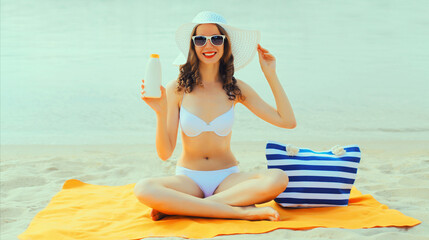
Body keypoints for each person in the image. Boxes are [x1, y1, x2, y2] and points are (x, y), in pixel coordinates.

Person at [134, 11, 296, 221]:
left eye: (216, 39)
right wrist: (160, 111)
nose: (208, 45)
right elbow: (165, 153)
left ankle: (185, 208)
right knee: (143, 188)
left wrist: (270, 74)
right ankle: (240, 212)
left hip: (228, 179)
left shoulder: (235, 89)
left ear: (225, 44)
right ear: (192, 46)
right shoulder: (177, 89)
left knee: (278, 178)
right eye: (200, 39)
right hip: (188, 180)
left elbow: (287, 121)